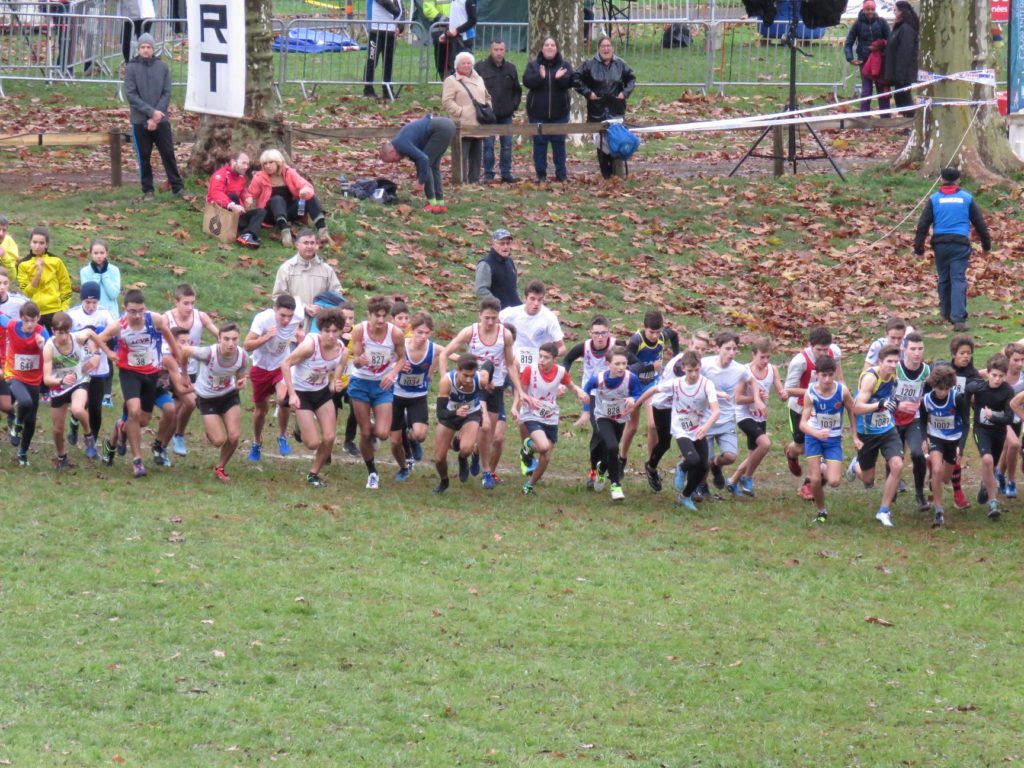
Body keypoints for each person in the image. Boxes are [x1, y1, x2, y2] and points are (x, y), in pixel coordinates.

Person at [96, 289, 181, 477]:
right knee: (133, 411)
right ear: (124, 309)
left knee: (142, 421)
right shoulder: (119, 326)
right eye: (132, 311)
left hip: (151, 374)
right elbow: (99, 339)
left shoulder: (154, 319)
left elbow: (167, 332)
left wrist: (177, 353)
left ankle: (120, 427)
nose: (136, 315)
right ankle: (137, 461)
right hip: (130, 373)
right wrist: (108, 353)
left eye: (140, 311)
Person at [444, 297, 524, 489]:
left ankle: (474, 456)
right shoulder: (470, 332)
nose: (490, 322)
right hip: (475, 387)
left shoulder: (505, 335)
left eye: (494, 318)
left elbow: (510, 364)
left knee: (488, 435)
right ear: (480, 315)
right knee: (486, 426)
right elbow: (447, 351)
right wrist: (447, 378)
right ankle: (485, 469)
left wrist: (520, 390)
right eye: (487, 318)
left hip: (495, 389)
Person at [635, 350, 720, 512]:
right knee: (693, 460)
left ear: (701, 367)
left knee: (703, 466)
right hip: (681, 427)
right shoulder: (676, 384)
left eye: (697, 370)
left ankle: (685, 496)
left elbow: (716, 411)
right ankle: (682, 467)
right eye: (690, 371)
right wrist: (636, 404)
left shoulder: (707, 384)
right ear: (683, 369)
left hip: (698, 427)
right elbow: (653, 391)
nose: (694, 374)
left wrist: (706, 427)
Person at [914, 167, 992, 332]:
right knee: (958, 279)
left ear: (941, 180)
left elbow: (923, 224)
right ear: (958, 181)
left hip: (940, 244)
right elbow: (980, 224)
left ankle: (945, 312)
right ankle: (958, 319)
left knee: (943, 278)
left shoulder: (934, 199)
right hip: (960, 244)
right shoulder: (966, 198)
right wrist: (986, 245)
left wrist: (919, 247)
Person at [281, 309, 347, 488]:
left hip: (321, 393)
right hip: (302, 393)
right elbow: (285, 364)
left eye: (335, 331)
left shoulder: (342, 350)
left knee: (330, 437)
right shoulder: (310, 345)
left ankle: (313, 474)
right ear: (320, 331)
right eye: (327, 331)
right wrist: (292, 394)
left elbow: (337, 373)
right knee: (312, 443)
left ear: (340, 331)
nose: (331, 336)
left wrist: (336, 383)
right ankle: (299, 427)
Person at [348, 296, 407, 490]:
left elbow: (402, 359)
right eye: (377, 316)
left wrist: (392, 374)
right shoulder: (359, 330)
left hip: (382, 385)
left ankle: (373, 430)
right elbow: (355, 358)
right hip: (360, 383)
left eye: (384, 316)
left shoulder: (395, 333)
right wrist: (359, 361)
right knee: (365, 432)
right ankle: (372, 472)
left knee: (382, 433)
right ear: (369, 315)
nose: (380, 320)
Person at [516, 341, 589, 496]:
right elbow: (521, 392)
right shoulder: (531, 370)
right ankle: (527, 445)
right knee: (543, 447)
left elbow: (571, 386)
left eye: (546, 357)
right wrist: (525, 401)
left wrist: (579, 392)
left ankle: (529, 486)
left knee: (546, 457)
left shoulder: (561, 372)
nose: (541, 360)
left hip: (550, 416)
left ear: (554, 359)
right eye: (540, 356)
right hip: (532, 415)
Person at [181, 323, 249, 482]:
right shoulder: (207, 353)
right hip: (207, 397)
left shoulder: (242, 356)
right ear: (219, 339)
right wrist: (184, 374)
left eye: (234, 339)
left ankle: (220, 467)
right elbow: (184, 351)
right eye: (226, 339)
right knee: (218, 440)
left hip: (228, 395)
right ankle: (211, 432)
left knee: (234, 436)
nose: (231, 343)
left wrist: (242, 382)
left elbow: (240, 375)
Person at [783, 326, 844, 500]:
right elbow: (788, 389)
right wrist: (815, 391)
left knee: (822, 442)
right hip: (800, 407)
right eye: (819, 350)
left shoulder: (835, 352)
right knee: (801, 447)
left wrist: (841, 384)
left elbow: (837, 369)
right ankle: (791, 453)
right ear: (810, 345)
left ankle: (809, 483)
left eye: (826, 349)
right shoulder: (800, 361)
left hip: (825, 410)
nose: (824, 353)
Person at [42, 311, 107, 467]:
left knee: (78, 410)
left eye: (66, 332)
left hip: (79, 381)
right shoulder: (49, 347)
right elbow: (46, 379)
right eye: (59, 333)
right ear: (53, 331)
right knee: (58, 430)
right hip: (59, 386)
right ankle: (62, 456)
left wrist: (102, 352)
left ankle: (88, 435)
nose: (63, 337)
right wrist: (61, 380)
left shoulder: (77, 338)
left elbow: (91, 333)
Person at [244, 294, 304, 462]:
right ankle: (257, 442)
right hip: (261, 367)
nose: (286, 320)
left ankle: (282, 436)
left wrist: (300, 330)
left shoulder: (298, 314)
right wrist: (265, 337)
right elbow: (246, 345)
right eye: (282, 316)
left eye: (289, 317)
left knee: (282, 399)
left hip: (281, 365)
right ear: (274, 309)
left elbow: (301, 304)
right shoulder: (262, 319)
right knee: (261, 411)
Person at [125, 33, 184, 201]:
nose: (145, 50)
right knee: (144, 156)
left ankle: (177, 187)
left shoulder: (163, 67)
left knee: (168, 153)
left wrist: (157, 115)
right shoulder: (131, 68)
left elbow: (166, 93)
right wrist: (150, 114)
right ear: (139, 49)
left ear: (153, 49)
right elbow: (131, 95)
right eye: (142, 47)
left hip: (161, 119)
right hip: (140, 120)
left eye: (148, 47)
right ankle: (148, 190)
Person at [701, 331, 760, 497]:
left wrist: (757, 399)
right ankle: (702, 485)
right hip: (705, 419)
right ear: (718, 348)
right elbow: (694, 380)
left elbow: (752, 380)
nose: (732, 353)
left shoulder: (739, 369)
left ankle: (716, 465)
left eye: (734, 349)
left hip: (726, 419)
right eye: (727, 348)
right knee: (703, 460)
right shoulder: (705, 365)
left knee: (730, 457)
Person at [799, 355, 857, 524]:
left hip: (833, 440)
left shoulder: (842, 391)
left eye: (831, 375)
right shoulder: (810, 393)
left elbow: (852, 411)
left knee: (834, 482)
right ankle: (821, 511)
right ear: (816, 374)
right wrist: (816, 433)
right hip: (813, 438)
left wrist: (854, 436)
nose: (827, 379)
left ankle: (824, 465)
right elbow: (803, 424)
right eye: (823, 375)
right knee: (815, 480)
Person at [163, 284, 219, 456]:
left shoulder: (200, 317)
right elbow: (157, 341)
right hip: (169, 368)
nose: (189, 307)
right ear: (176, 302)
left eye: (192, 303)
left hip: (190, 369)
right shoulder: (166, 319)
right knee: (188, 402)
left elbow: (219, 335)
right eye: (185, 303)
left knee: (181, 406)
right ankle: (170, 439)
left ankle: (171, 439)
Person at [728, 338, 788, 497]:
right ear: (753, 354)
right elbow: (738, 399)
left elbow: (779, 387)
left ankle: (733, 481)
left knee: (753, 455)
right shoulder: (744, 371)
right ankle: (747, 478)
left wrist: (783, 394)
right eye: (762, 357)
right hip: (744, 416)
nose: (765, 361)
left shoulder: (773, 369)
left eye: (768, 357)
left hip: (760, 417)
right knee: (765, 443)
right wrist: (756, 398)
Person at [852, 345, 904, 528]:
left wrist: (894, 404)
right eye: (889, 361)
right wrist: (879, 404)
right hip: (867, 432)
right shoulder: (870, 379)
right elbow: (856, 408)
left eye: (896, 361)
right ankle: (855, 466)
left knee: (897, 465)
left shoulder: (896, 376)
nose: (893, 365)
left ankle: (883, 510)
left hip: (887, 429)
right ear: (880, 362)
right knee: (868, 479)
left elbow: (893, 398)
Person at [583, 345, 644, 500]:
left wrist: (633, 399)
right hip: (603, 417)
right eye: (617, 364)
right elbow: (586, 391)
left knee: (611, 450)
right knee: (613, 447)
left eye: (624, 363)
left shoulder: (631, 378)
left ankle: (602, 468)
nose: (621, 367)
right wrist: (585, 410)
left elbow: (638, 392)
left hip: (620, 418)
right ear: (608, 364)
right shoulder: (599, 379)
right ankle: (616, 485)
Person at [573, 36, 636, 179]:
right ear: (598, 49)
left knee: (617, 141)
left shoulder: (621, 64)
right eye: (603, 46)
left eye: (608, 46)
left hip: (616, 110)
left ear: (612, 48)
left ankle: (617, 174)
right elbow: (575, 78)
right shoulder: (589, 64)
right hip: (597, 111)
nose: (606, 49)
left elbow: (631, 79)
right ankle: (606, 175)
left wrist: (624, 93)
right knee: (601, 145)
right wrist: (588, 93)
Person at [390, 311, 440, 481]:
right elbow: (386, 362)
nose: (423, 336)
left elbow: (450, 353)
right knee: (395, 441)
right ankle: (403, 467)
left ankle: (411, 440)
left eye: (427, 333)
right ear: (412, 330)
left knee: (420, 435)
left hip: (417, 397)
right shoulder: (400, 345)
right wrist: (395, 366)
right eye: (419, 332)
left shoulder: (433, 348)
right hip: (396, 396)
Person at [433, 353, 489, 494]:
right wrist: (455, 413)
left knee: (466, 449)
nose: (469, 380)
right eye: (465, 375)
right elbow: (440, 413)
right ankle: (444, 481)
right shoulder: (447, 381)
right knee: (439, 458)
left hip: (472, 413)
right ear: (457, 371)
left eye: (472, 375)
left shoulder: (480, 379)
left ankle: (462, 458)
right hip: (450, 414)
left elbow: (489, 365)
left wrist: (489, 378)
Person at [247, 149, 330, 245]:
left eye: (271, 162)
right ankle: (285, 233)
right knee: (277, 199)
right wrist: (248, 198)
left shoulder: (289, 172)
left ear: (278, 162)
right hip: (270, 215)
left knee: (310, 196)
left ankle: (322, 230)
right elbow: (250, 194)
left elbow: (306, 185)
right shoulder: (259, 177)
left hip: (289, 212)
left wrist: (304, 191)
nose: (268, 166)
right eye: (265, 164)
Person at [67, 282, 116, 444]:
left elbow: (114, 333)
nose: (91, 306)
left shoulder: (104, 314)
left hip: (99, 367)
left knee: (95, 406)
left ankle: (93, 440)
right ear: (81, 301)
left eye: (94, 302)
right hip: (80, 366)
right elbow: (66, 341)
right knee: (81, 403)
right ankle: (74, 423)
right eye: (87, 302)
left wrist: (98, 351)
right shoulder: (73, 315)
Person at [967, 353, 1015, 520]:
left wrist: (993, 416)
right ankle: (993, 502)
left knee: (991, 464)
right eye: (994, 375)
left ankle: (984, 484)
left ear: (1005, 375)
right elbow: (964, 398)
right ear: (987, 373)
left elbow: (1009, 418)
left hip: (998, 432)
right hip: (981, 431)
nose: (997, 379)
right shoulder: (978, 388)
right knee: (987, 460)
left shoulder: (1008, 391)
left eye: (1001, 376)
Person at [379, 115, 457, 214]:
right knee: (434, 166)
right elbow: (419, 160)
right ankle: (440, 203)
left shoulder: (401, 144)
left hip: (440, 128)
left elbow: (423, 160)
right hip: (447, 124)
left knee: (427, 164)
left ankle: (432, 204)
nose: (397, 162)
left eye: (393, 160)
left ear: (392, 152)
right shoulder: (401, 142)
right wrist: (420, 177)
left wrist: (420, 182)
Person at [522, 38, 574, 182]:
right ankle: (540, 174)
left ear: (556, 48)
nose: (549, 47)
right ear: (542, 48)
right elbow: (527, 81)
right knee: (539, 144)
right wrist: (541, 77)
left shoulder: (565, 65)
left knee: (559, 144)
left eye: (552, 45)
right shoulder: (533, 65)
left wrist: (559, 79)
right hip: (538, 113)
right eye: (547, 45)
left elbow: (570, 82)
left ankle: (561, 174)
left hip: (560, 113)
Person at [4, 301, 49, 467]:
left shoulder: (42, 333)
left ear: (39, 318)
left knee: (31, 420)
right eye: (27, 320)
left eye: (33, 320)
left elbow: (52, 354)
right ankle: (16, 424)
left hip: (34, 381)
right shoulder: (11, 325)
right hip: (14, 374)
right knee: (25, 402)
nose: (30, 324)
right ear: (21, 318)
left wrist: (43, 346)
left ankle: (22, 453)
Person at [924, 365, 968, 528]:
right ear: (933, 386)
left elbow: (966, 424)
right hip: (936, 437)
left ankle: (935, 477)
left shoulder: (957, 398)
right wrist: (924, 438)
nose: (943, 392)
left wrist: (961, 447)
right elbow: (922, 421)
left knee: (945, 478)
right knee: (937, 470)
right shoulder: (927, 399)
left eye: (946, 389)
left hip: (953, 440)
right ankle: (939, 510)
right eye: (939, 389)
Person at [475, 39, 522, 184]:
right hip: (488, 115)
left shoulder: (511, 68)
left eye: (501, 49)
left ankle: (506, 173)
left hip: (506, 114)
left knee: (507, 145)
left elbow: (517, 91)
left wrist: (513, 106)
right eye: (496, 49)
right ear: (491, 50)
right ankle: (488, 174)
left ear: (505, 51)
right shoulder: (480, 68)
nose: (498, 53)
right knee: (488, 146)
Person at [442, 51, 491, 184]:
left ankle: (474, 180)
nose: (466, 65)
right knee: (462, 155)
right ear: (457, 65)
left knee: (476, 155)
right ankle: (460, 180)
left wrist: (487, 108)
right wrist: (460, 112)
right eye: (463, 63)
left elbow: (487, 96)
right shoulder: (451, 81)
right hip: (462, 124)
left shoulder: (479, 79)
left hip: (479, 122)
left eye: (469, 63)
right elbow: (447, 101)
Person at [271, 229, 343, 320]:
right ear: (297, 245)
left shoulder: (327, 270)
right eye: (305, 243)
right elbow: (279, 296)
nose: (309, 246)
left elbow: (337, 295)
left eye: (312, 243)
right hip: (294, 322)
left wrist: (321, 308)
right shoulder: (286, 269)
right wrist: (302, 307)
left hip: (321, 323)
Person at [207, 151, 266, 249]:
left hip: (237, 213)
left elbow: (242, 190)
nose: (246, 167)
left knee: (261, 211)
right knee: (233, 196)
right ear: (233, 162)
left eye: (247, 164)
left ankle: (247, 235)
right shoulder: (220, 175)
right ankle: (246, 232)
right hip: (221, 212)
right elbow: (216, 193)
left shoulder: (241, 178)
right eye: (243, 163)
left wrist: (247, 196)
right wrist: (232, 205)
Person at [16, 227, 71, 331]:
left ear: (46, 244)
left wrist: (64, 308)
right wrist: (38, 273)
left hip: (55, 310)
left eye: (41, 243)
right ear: (30, 242)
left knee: (56, 344)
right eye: (34, 242)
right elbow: (28, 292)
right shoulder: (22, 264)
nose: (37, 246)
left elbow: (66, 286)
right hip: (34, 313)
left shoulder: (56, 261)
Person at [843, 0, 891, 113]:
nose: (870, 12)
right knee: (866, 90)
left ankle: (885, 118)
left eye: (872, 9)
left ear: (875, 9)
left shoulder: (882, 22)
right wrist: (850, 58)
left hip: (880, 61)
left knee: (882, 89)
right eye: (867, 9)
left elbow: (890, 40)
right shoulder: (857, 24)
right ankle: (864, 118)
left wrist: (881, 44)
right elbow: (848, 42)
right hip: (864, 61)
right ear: (863, 9)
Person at [884, 0, 920, 116]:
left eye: (895, 10)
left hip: (904, 71)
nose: (893, 12)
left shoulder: (906, 29)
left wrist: (900, 73)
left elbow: (905, 52)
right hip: (897, 69)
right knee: (899, 96)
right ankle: (905, 121)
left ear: (901, 12)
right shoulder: (899, 28)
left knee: (904, 96)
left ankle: (909, 122)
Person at [364, 0, 403, 100]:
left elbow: (401, 9)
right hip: (376, 30)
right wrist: (396, 11)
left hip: (391, 32)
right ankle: (368, 89)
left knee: (388, 63)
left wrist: (400, 26)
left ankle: (387, 90)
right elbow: (385, 3)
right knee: (372, 61)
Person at [474, 228, 521, 309]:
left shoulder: (510, 262)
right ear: (493, 244)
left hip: (515, 313)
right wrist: (496, 305)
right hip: (497, 314)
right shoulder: (486, 264)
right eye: (502, 243)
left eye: (508, 243)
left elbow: (513, 289)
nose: (505, 247)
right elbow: (481, 290)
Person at [443, 0, 477, 75]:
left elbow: (473, 20)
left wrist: (457, 30)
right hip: (454, 38)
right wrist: (445, 34)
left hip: (465, 39)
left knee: (464, 66)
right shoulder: (453, 1)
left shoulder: (468, 1)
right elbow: (453, 21)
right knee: (454, 64)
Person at [119, 0, 154, 65]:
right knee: (126, 42)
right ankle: (129, 65)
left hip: (144, 15)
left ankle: (146, 65)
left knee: (144, 44)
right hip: (127, 15)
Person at [0, 214, 19, 282]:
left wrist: (5, 256)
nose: (1, 234)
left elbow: (11, 276)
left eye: (4, 230)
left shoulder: (10, 244)